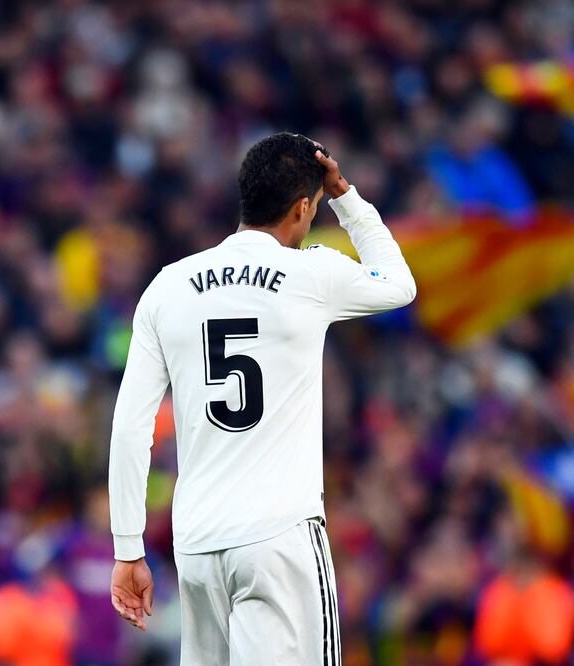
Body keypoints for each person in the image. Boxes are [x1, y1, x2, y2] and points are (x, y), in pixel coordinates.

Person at [106, 132, 416, 665]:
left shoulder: (166, 287)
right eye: (315, 208)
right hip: (279, 537)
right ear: (302, 208)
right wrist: (345, 196)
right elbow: (398, 283)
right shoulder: (311, 274)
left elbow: (130, 427)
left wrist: (127, 547)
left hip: (198, 546)